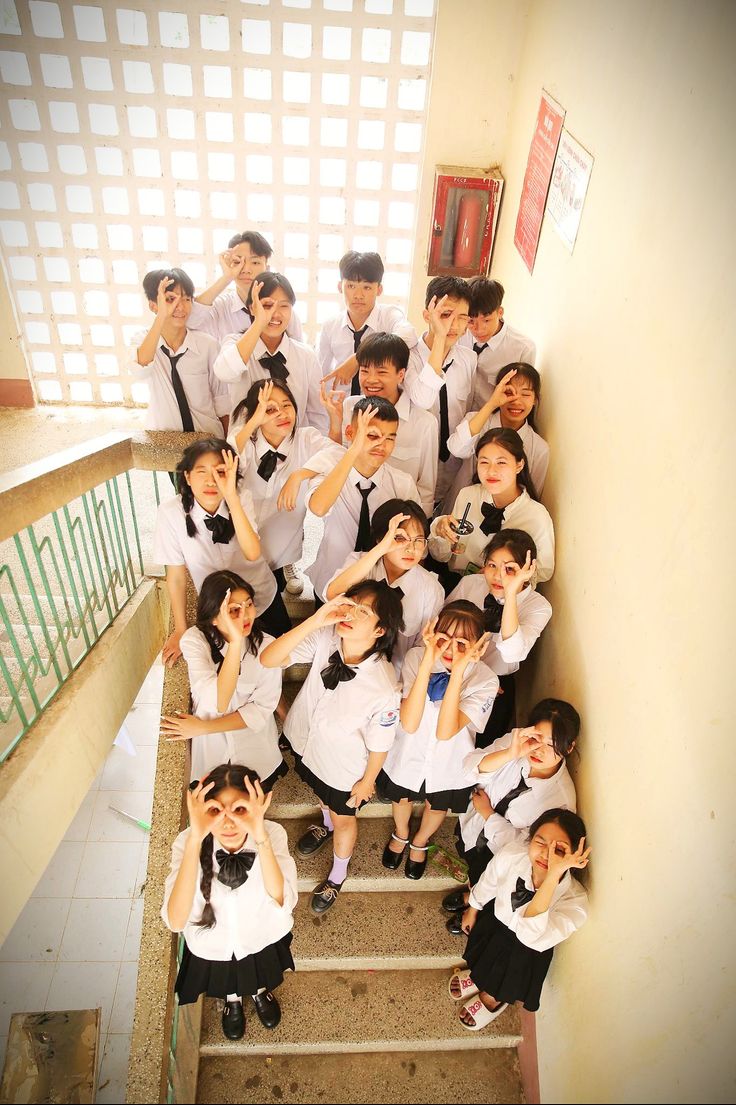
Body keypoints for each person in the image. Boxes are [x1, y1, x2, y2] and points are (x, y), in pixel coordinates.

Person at [260, 582, 403, 914]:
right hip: (304, 742)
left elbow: (380, 742)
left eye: (363, 611)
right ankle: (323, 822)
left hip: (342, 769)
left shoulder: (384, 687)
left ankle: (337, 876)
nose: (350, 613)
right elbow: (270, 659)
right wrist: (316, 620)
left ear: (380, 629)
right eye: (350, 604)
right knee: (319, 794)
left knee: (344, 819)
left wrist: (368, 781)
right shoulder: (327, 638)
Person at [161, 764, 297, 1040]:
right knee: (226, 982)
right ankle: (232, 1001)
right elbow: (175, 921)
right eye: (215, 810)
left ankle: (259, 993)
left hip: (259, 936)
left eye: (240, 810)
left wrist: (260, 837)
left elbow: (283, 900)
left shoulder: (273, 834)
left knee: (259, 973)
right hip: (214, 944)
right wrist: (197, 839)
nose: (228, 823)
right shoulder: (187, 841)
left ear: (258, 806)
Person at [378, 602, 497, 878]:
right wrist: (427, 662)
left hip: (451, 759)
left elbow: (446, 731)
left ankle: (420, 841)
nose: (451, 650)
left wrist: (457, 673)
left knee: (438, 804)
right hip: (409, 749)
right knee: (402, 796)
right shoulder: (416, 657)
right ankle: (402, 832)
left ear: (479, 646)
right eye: (444, 639)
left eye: (463, 644)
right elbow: (409, 722)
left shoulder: (486, 680)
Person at [442, 700, 579, 933]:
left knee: (490, 872)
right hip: (474, 826)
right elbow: (468, 770)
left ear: (569, 747)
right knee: (469, 855)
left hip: (501, 852)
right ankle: (471, 889)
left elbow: (520, 848)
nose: (539, 750)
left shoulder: (560, 802)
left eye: (552, 744)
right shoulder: (518, 743)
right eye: (537, 739)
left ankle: (474, 903)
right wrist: (509, 753)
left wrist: (488, 813)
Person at [448, 809, 589, 1030]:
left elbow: (528, 936)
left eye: (559, 850)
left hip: (528, 950)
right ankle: (479, 977)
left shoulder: (575, 903)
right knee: (484, 958)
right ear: (530, 840)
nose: (546, 855)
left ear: (574, 856)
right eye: (540, 843)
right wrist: (474, 908)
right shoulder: (514, 855)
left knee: (506, 980)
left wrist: (552, 877)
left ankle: (493, 996)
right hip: (498, 925)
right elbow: (490, 881)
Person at [152, 440, 289, 665]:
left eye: (220, 471)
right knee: (233, 665)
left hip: (259, 597)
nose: (210, 480)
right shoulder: (170, 513)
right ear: (187, 477)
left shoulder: (241, 498)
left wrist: (232, 498)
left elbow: (252, 552)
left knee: (278, 657)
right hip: (217, 609)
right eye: (201, 471)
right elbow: (176, 577)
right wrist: (181, 629)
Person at [160, 571, 285, 788]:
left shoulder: (267, 646)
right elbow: (218, 701)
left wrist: (203, 728)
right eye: (234, 610)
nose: (245, 616)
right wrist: (236, 644)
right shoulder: (194, 640)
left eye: (249, 605)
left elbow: (261, 709)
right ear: (215, 617)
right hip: (212, 759)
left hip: (256, 753)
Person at [303, 398, 421, 603]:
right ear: (350, 433)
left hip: (379, 589)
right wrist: (354, 449)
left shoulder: (402, 483)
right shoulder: (331, 470)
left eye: (389, 438)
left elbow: (414, 535)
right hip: (331, 580)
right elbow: (318, 508)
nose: (380, 445)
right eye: (372, 435)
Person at [228, 379, 332, 597]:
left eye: (286, 405)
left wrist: (300, 474)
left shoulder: (306, 438)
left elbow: (338, 455)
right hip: (244, 541)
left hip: (283, 541)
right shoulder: (245, 438)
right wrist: (252, 423)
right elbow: (226, 460)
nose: (282, 414)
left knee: (274, 586)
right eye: (270, 409)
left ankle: (289, 565)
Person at [447, 529, 552, 745]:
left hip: (496, 686)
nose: (498, 576)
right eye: (492, 565)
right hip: (450, 670)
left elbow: (514, 653)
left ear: (527, 570)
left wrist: (511, 594)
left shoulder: (539, 606)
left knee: (474, 751)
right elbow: (445, 627)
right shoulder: (470, 584)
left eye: (510, 569)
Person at [324, 499, 444, 674]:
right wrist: (380, 549)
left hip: (395, 675)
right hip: (345, 663)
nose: (411, 548)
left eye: (418, 540)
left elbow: (422, 646)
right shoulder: (360, 563)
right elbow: (332, 594)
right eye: (400, 538)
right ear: (382, 538)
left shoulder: (431, 588)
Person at [429, 427, 555, 586]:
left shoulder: (536, 516)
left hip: (507, 595)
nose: (491, 471)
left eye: (501, 462)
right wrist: (440, 531)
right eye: (484, 462)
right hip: (460, 585)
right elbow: (442, 556)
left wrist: (504, 575)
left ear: (519, 465)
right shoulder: (467, 496)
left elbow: (544, 571)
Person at [332, 333, 438, 516]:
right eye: (365, 371)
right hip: (348, 515)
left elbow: (426, 491)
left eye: (381, 372)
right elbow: (335, 460)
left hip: (397, 522)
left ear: (401, 375)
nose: (371, 380)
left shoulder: (424, 423)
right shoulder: (349, 407)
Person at [402, 277, 477, 506]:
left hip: (455, 462)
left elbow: (469, 407)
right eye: (445, 315)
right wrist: (440, 340)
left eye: (462, 318)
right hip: (415, 464)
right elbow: (423, 399)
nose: (453, 325)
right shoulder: (408, 356)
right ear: (428, 315)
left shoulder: (469, 359)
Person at [129, 268, 229, 434]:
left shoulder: (208, 345)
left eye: (187, 299)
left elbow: (222, 402)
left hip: (207, 442)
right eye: (170, 299)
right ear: (153, 305)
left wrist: (227, 447)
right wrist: (161, 316)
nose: (180, 306)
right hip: (162, 443)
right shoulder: (143, 341)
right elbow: (140, 369)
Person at [212, 273, 323, 424]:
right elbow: (225, 373)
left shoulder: (306, 356)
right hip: (248, 445)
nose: (275, 314)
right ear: (252, 307)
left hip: (295, 445)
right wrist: (259, 323)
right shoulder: (235, 343)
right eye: (267, 305)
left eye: (284, 306)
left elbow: (318, 415)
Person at [319, 250, 417, 396]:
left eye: (367, 287)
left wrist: (359, 358)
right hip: (342, 407)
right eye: (351, 286)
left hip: (382, 406)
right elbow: (322, 374)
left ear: (379, 289)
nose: (358, 295)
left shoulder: (389, 315)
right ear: (340, 287)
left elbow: (410, 335)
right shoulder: (330, 326)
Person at [447, 363, 549, 499]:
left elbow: (531, 497)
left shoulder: (539, 449)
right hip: (459, 512)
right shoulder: (476, 420)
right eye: (508, 392)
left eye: (525, 394)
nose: (516, 401)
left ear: (535, 399)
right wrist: (492, 404)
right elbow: (456, 449)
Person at [188, 229, 304, 342]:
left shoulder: (282, 311)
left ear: (267, 268)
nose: (246, 270)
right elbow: (189, 321)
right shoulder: (221, 307)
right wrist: (226, 277)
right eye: (238, 262)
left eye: (255, 262)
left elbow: (299, 354)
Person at [458, 278, 537, 409]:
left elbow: (521, 397)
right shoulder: (458, 335)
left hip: (492, 422)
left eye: (487, 320)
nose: (479, 329)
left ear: (500, 312)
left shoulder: (523, 349)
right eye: (471, 321)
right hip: (457, 417)